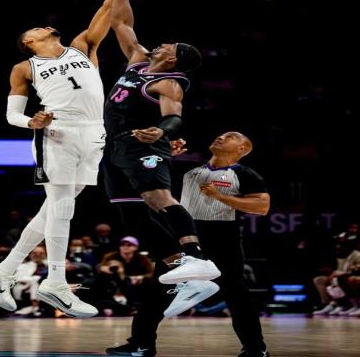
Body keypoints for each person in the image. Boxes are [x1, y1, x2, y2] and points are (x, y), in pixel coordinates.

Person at [0, 0, 159, 318]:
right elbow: (12, 115)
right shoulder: (24, 68)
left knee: (56, 206)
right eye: (36, 28)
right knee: (62, 206)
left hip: (94, 132)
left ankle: (3, 269)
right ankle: (55, 283)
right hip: (57, 131)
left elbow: (107, 9)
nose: (44, 25)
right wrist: (32, 120)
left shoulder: (83, 47)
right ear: (29, 42)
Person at [103, 0, 220, 316]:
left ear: (174, 59)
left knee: (158, 198)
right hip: (114, 147)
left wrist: (162, 131)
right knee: (131, 216)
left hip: (143, 143)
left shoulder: (168, 82)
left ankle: (197, 258)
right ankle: (188, 277)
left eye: (172, 45)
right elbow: (121, 22)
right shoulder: (137, 59)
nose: (165, 43)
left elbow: (173, 117)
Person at [106, 132, 271, 357]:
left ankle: (255, 349)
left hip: (224, 240)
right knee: (159, 290)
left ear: (242, 149)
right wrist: (166, 153)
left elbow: (261, 207)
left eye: (230, 136)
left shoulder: (245, 174)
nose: (221, 136)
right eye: (222, 134)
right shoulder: (188, 169)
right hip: (186, 240)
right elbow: (156, 182)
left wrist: (219, 196)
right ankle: (141, 344)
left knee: (237, 295)